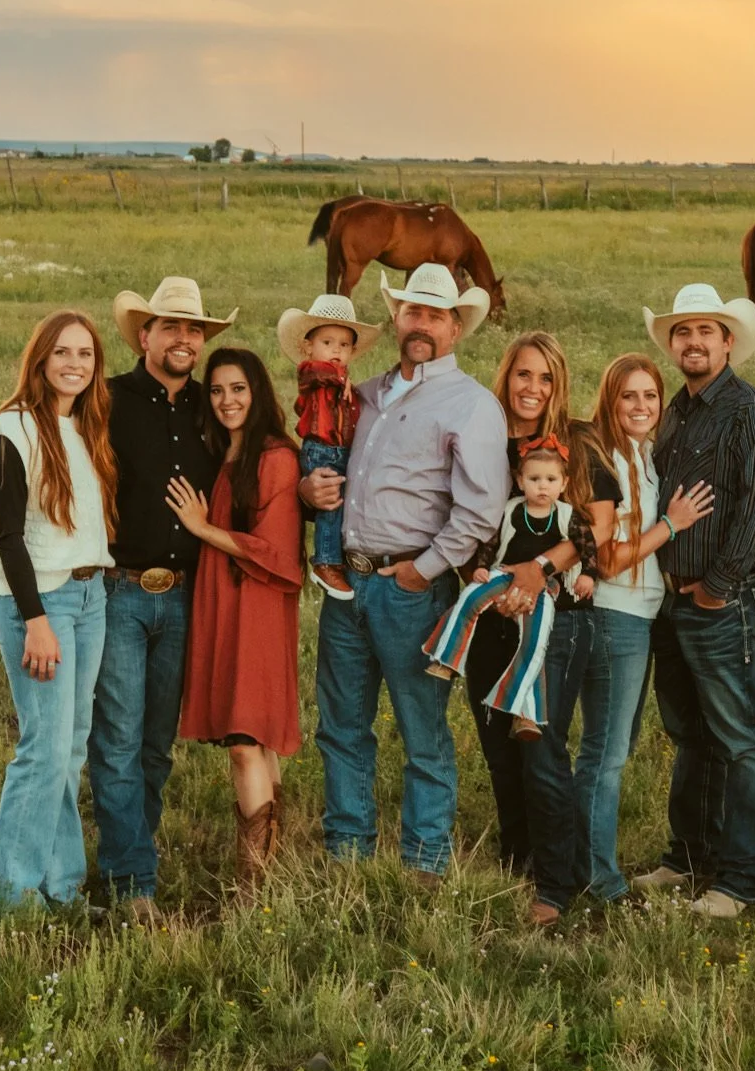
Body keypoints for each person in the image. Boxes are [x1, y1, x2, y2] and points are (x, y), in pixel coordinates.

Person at [298, 263, 508, 880]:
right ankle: (348, 852)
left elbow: (480, 510)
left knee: (422, 729)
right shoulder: (359, 394)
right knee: (341, 726)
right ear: (395, 316)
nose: (422, 324)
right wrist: (310, 493)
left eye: (436, 315)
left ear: (455, 327)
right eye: (413, 311)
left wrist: (424, 570)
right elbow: (328, 463)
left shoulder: (470, 404)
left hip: (409, 588)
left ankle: (425, 860)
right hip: (346, 583)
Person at [629, 283, 755, 919]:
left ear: (728, 341)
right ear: (672, 344)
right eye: (682, 332)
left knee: (742, 738)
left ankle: (741, 877)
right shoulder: (677, 409)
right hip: (670, 599)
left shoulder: (753, 410)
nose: (693, 342)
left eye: (706, 332)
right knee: (690, 733)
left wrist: (718, 587)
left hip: (721, 599)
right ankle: (689, 854)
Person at [88, 277, 236, 912]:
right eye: (171, 326)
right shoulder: (108, 400)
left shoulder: (215, 407)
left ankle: (130, 853)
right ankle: (133, 884)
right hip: (121, 590)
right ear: (143, 335)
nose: (184, 338)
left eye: (194, 329)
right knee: (117, 740)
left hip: (185, 597)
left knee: (155, 744)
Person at [465, 330, 620, 926]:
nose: (532, 388)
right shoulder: (485, 440)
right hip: (491, 614)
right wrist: (488, 580)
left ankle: (556, 883)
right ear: (506, 376)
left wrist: (538, 569)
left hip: (556, 620)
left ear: (559, 385)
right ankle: (518, 859)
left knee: (541, 749)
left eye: (545, 377)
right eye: (523, 374)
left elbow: (600, 527)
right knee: (499, 747)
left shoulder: (578, 442)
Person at [0, 310, 117, 910]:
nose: (75, 364)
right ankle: (9, 900)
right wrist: (35, 620)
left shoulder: (85, 427)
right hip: (42, 602)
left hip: (91, 597)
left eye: (85, 354)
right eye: (63, 352)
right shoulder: (13, 428)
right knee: (43, 750)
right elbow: (8, 536)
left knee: (73, 745)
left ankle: (61, 885)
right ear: (40, 358)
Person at [574, 354, 714, 904]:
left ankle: (581, 856)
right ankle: (597, 876)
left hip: (643, 616)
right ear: (610, 399)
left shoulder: (646, 455)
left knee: (617, 745)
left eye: (650, 396)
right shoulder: (604, 457)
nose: (640, 406)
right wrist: (670, 526)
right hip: (613, 613)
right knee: (604, 753)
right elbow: (606, 560)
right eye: (628, 396)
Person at [167, 346, 305, 898]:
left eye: (239, 389)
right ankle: (270, 865)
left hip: (259, 603)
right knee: (251, 740)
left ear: (258, 392)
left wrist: (201, 529)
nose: (228, 401)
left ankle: (253, 880)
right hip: (223, 601)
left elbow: (275, 551)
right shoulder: (223, 455)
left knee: (248, 737)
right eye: (218, 390)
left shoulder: (275, 457)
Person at [424, 435, 599, 738]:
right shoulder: (511, 510)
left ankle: (525, 714)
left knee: (535, 641)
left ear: (564, 483)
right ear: (520, 481)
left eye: (550, 479)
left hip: (544, 586)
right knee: (470, 598)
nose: (542, 486)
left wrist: (588, 576)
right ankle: (448, 657)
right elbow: (491, 542)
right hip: (503, 574)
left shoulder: (567, 516)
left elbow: (588, 547)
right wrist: (480, 566)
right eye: (534, 479)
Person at [277, 293, 383, 601]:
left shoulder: (345, 383)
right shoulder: (314, 372)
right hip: (321, 449)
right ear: (309, 347)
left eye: (344, 344)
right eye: (327, 342)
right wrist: (340, 379)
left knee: (341, 502)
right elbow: (318, 374)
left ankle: (336, 555)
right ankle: (324, 561)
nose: (336, 350)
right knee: (330, 504)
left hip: (337, 449)